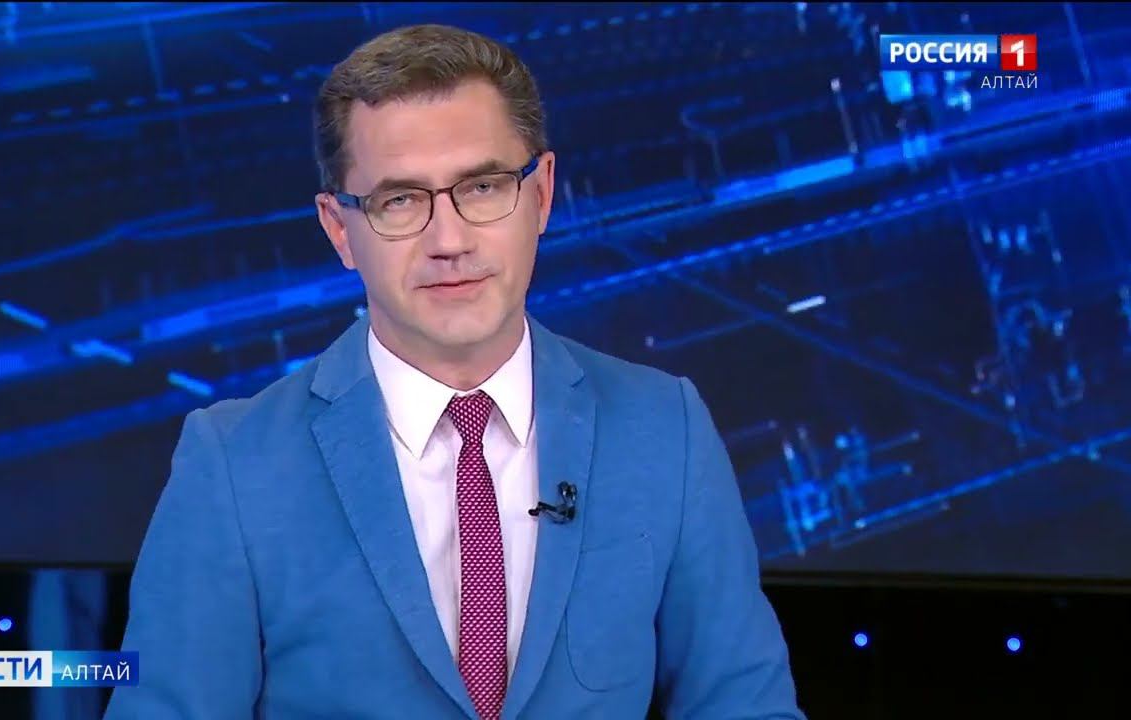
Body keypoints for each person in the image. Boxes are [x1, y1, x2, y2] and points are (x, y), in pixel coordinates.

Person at [105, 23, 805, 720]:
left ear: (541, 194)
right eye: (400, 200)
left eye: (484, 186)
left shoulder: (664, 427)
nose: (449, 240)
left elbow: (747, 708)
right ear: (339, 229)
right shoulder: (233, 464)